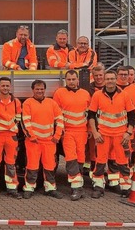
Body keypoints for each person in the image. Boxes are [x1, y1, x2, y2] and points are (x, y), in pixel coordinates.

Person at [87, 70, 135, 198]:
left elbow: (132, 116)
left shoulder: (124, 95)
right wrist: (95, 132)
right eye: (107, 79)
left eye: (112, 79)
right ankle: (98, 187)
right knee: (100, 162)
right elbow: (91, 115)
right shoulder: (97, 95)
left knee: (123, 162)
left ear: (116, 79)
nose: (110, 81)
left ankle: (126, 188)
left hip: (121, 135)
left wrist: (128, 132)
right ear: (104, 80)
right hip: (103, 135)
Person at [21, 80, 64, 199]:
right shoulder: (28, 103)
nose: (39, 91)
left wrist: (57, 136)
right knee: (32, 165)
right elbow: (25, 122)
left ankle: (50, 188)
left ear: (45, 90)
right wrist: (32, 136)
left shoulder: (52, 103)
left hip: (49, 141)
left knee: (50, 166)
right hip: (33, 142)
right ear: (33, 90)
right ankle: (29, 188)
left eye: (41, 89)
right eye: (37, 89)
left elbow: (60, 119)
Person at [53, 70, 91, 201]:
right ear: (65, 80)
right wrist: (60, 130)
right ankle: (75, 188)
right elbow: (56, 114)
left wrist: (90, 129)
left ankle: (79, 185)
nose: (71, 81)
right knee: (71, 158)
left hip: (82, 132)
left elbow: (89, 114)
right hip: (67, 132)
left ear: (77, 80)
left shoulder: (85, 94)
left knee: (81, 158)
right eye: (69, 79)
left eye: (73, 79)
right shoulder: (59, 93)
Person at [0, 77, 22, 199]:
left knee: (11, 164)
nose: (5, 88)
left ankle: (12, 188)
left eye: (7, 86)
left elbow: (18, 118)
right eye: (3, 86)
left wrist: (14, 128)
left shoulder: (16, 102)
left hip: (11, 136)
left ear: (11, 87)